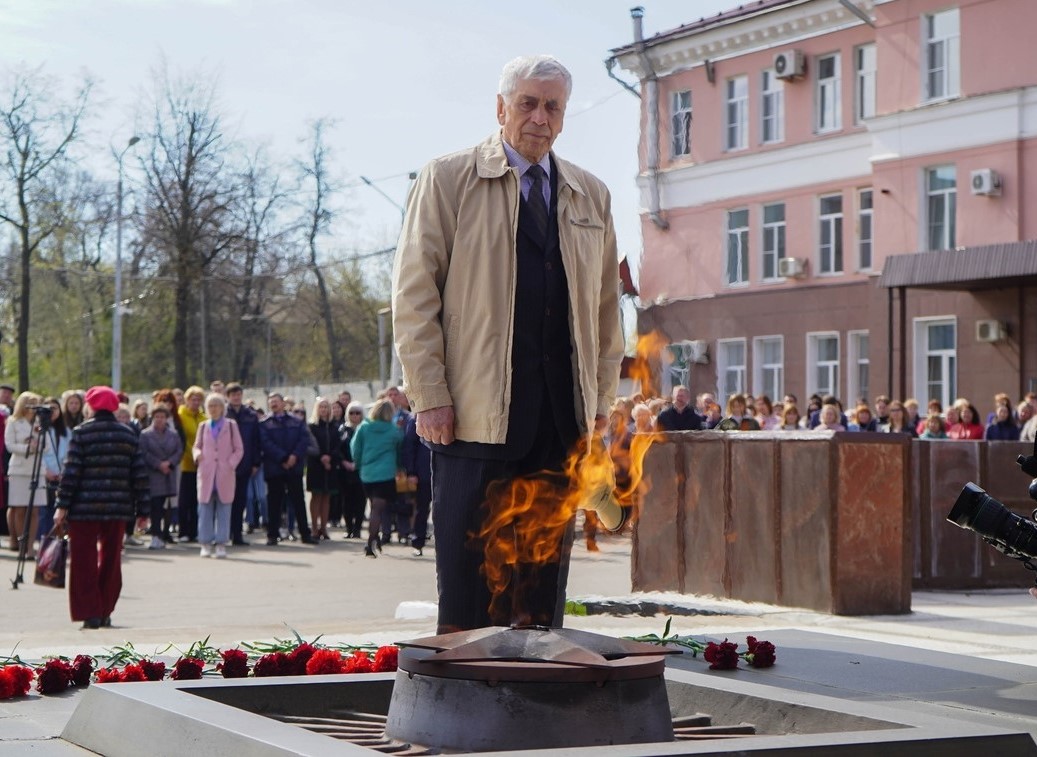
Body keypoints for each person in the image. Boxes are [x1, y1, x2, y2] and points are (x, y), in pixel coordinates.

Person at [391, 55, 622, 631]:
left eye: (553, 107)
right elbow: (414, 296)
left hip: (558, 417)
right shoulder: (448, 178)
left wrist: (598, 406)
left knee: (541, 578)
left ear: (564, 117)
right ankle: (464, 696)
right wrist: (430, 395)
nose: (540, 117)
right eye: (528, 103)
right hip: (474, 416)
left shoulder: (591, 194)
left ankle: (538, 689)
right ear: (500, 108)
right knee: (472, 576)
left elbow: (604, 311)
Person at [53, 386, 149, 629]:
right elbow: (139, 475)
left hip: (84, 509)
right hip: (118, 508)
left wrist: (62, 505)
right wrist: (144, 512)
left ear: (91, 406)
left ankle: (90, 612)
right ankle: (105, 609)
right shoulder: (128, 434)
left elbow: (71, 472)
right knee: (111, 559)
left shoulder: (81, 433)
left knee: (83, 560)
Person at [259, 393, 314, 546]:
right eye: (271, 402)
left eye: (276, 401)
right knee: (274, 503)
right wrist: (283, 458)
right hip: (275, 468)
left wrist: (294, 456)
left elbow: (303, 440)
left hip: (294, 467)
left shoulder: (296, 421)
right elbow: (265, 443)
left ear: (283, 403)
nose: (273, 404)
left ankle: (305, 534)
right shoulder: (264, 423)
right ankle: (272, 535)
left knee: (298, 502)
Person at [192, 393, 243, 558]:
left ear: (223, 407)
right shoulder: (203, 426)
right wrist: (197, 454)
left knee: (224, 509)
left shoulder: (231, 425)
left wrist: (230, 464)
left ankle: (221, 543)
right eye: (210, 406)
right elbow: (196, 446)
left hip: (224, 473)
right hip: (207, 473)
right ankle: (205, 543)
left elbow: (239, 449)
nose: (213, 409)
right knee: (205, 509)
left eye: (216, 405)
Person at [350, 398, 402, 558]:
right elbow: (399, 451)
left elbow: (355, 448)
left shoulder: (363, 428)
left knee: (373, 506)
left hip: (367, 473)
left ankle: (376, 538)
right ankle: (370, 542)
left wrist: (358, 464)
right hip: (386, 473)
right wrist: (399, 468)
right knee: (378, 509)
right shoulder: (394, 431)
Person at [5, 391, 44, 556]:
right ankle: (20, 544)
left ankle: (30, 546)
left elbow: (47, 445)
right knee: (19, 509)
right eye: (31, 404)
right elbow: (9, 445)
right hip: (19, 469)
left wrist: (38, 444)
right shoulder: (14, 422)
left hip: (36, 468)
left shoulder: (41, 422)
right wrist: (26, 447)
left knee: (34, 510)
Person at [138, 403, 182, 549]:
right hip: (154, 475)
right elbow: (144, 453)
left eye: (162, 417)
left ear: (167, 419)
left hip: (169, 474)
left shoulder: (173, 435)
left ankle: (166, 534)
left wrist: (169, 463)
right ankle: (155, 535)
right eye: (157, 416)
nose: (159, 419)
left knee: (168, 506)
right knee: (155, 507)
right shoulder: (145, 434)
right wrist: (159, 464)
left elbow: (179, 451)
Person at [225, 383, 260, 546]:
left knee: (240, 501)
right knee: (226, 500)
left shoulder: (250, 415)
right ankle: (225, 533)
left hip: (245, 464)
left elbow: (255, 441)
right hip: (226, 465)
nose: (236, 397)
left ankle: (237, 534)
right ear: (228, 396)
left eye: (238, 394)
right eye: (233, 394)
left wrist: (255, 462)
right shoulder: (223, 413)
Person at [306, 397, 341, 540]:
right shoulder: (312, 426)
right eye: (321, 407)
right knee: (316, 496)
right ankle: (314, 527)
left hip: (330, 466)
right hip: (316, 465)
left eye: (326, 407)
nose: (324, 409)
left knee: (327, 498)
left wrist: (330, 457)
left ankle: (323, 528)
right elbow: (309, 445)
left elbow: (338, 445)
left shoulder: (334, 426)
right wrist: (321, 457)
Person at [176, 386, 207, 542]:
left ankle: (194, 531)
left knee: (197, 500)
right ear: (187, 400)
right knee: (184, 500)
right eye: (192, 399)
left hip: (201, 465)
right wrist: (192, 455)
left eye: (198, 400)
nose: (195, 402)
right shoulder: (181, 416)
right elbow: (183, 440)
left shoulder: (204, 418)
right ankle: (183, 531)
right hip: (185, 464)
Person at [401, 410, 432, 556]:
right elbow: (409, 447)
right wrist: (411, 472)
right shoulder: (416, 418)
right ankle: (418, 542)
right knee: (422, 508)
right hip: (423, 473)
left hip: (442, 471)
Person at [39, 397, 69, 540]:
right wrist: (45, 471)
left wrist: (64, 472)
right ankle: (43, 541)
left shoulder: (67, 431)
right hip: (44, 474)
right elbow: (38, 454)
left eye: (55, 408)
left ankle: (57, 543)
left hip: (61, 475)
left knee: (57, 510)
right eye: (49, 408)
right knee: (44, 511)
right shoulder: (39, 429)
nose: (52, 412)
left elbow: (70, 453)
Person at [339, 401, 367, 539]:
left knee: (360, 501)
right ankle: (349, 528)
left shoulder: (365, 429)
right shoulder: (342, 429)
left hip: (361, 470)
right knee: (346, 501)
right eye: (351, 412)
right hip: (345, 470)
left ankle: (357, 529)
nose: (354, 415)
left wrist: (358, 463)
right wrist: (344, 462)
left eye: (357, 412)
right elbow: (337, 449)